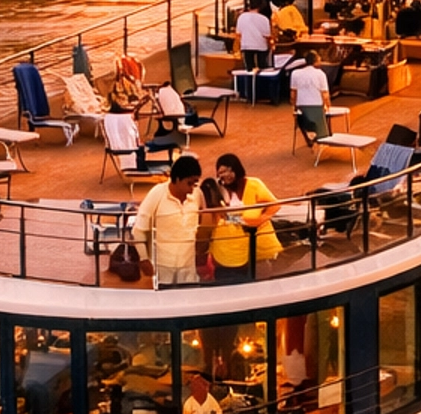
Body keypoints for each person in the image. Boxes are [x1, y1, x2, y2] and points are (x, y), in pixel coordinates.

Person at [208, 152, 282, 282]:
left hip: (257, 245)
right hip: (230, 248)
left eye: (229, 171)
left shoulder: (254, 184)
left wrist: (260, 220)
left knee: (262, 280)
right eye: (222, 172)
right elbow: (219, 217)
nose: (226, 175)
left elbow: (274, 205)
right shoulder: (217, 190)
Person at [133, 154, 204, 287]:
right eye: (189, 183)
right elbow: (138, 230)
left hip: (188, 266)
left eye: (194, 184)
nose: (192, 189)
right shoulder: (156, 194)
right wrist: (144, 258)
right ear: (177, 179)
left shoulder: (197, 194)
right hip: (162, 267)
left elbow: (203, 220)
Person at [290, 51, 332, 145]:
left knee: (300, 118)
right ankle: (319, 137)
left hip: (301, 106)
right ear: (316, 61)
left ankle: (308, 135)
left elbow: (293, 93)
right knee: (323, 119)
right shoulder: (320, 74)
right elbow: (325, 94)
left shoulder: (295, 73)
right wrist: (328, 105)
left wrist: (294, 106)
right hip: (317, 106)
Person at [234, 2, 271, 73]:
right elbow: (267, 35)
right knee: (262, 69)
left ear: (249, 7)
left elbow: (238, 33)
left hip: (246, 46)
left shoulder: (242, 17)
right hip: (261, 46)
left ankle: (250, 79)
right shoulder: (264, 19)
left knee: (249, 69)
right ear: (260, 7)